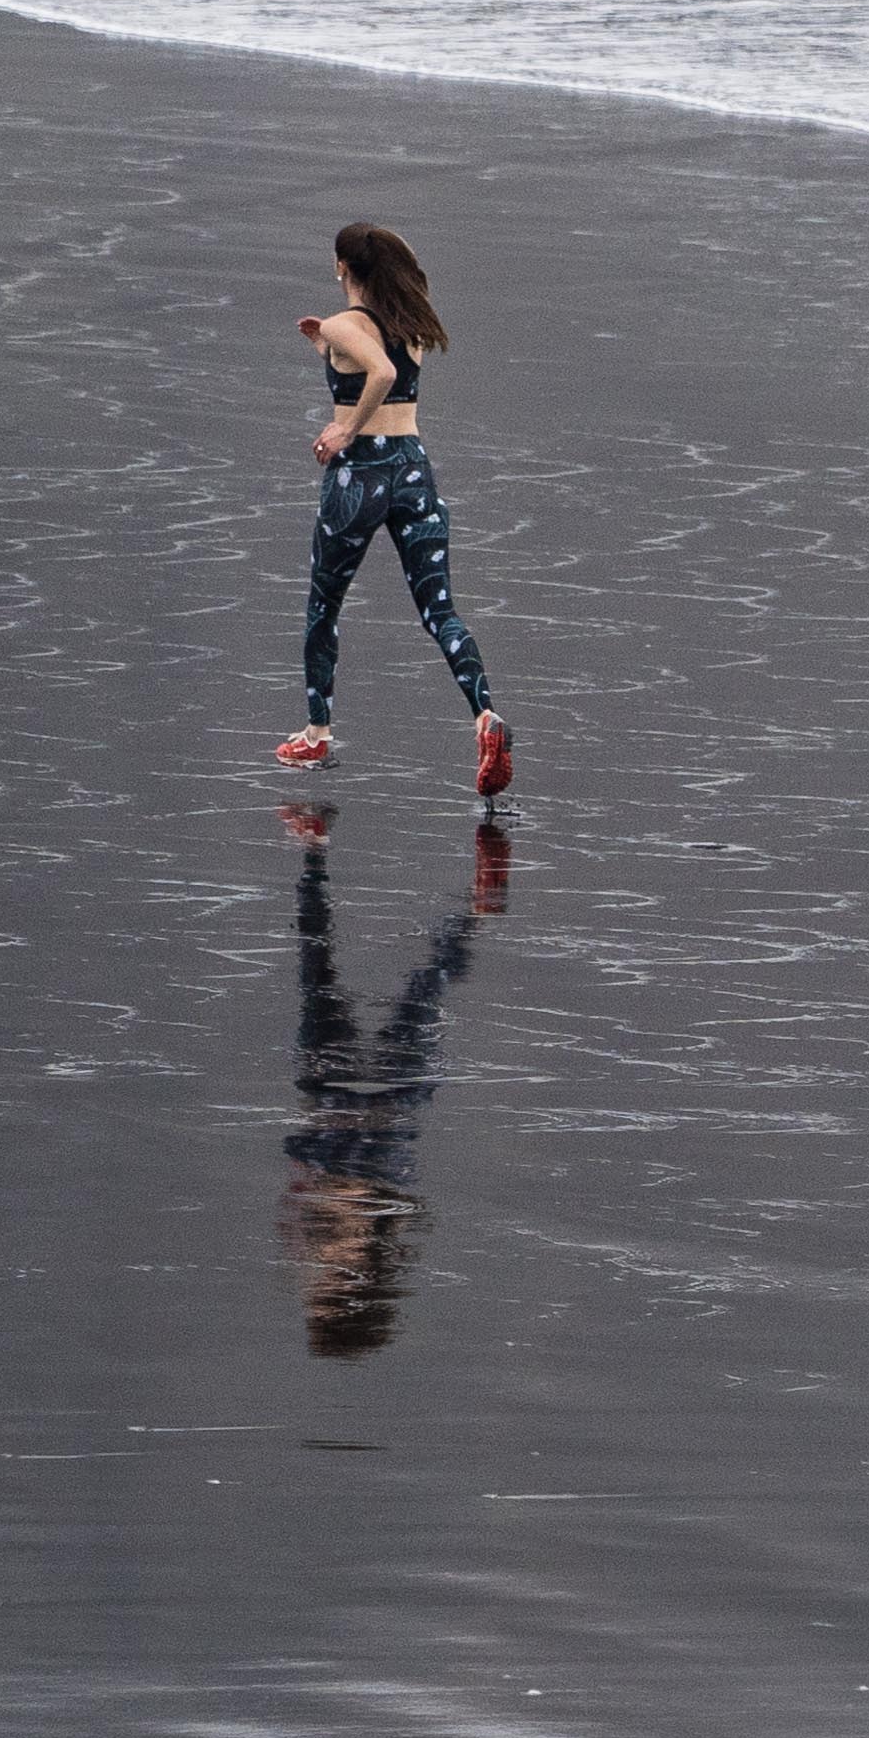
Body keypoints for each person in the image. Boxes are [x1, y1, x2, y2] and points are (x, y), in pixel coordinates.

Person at [274, 220, 512, 798]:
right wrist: (325, 349)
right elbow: (385, 368)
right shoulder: (411, 327)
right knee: (440, 610)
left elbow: (373, 373)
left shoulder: (345, 323)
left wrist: (343, 433)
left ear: (342, 267)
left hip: (360, 476)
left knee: (323, 608)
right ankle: (485, 716)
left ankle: (316, 735)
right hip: (412, 469)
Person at [278, 800, 506, 1358]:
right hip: (372, 1091)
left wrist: (310, 1197)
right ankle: (472, 909)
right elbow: (351, 1180)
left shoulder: (361, 1239)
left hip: (347, 1090)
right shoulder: (361, 1242)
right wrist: (326, 1202)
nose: (311, 1284)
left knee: (327, 970)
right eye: (318, 1299)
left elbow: (327, 1175)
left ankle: (315, 852)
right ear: (348, 1297)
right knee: (372, 979)